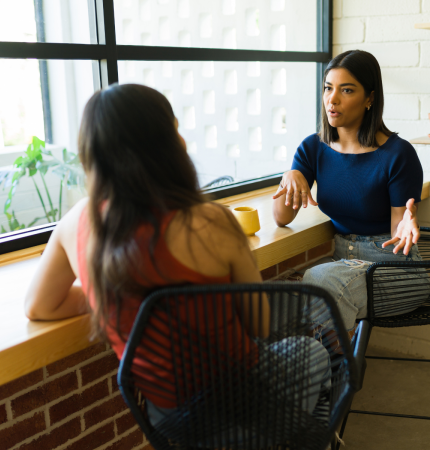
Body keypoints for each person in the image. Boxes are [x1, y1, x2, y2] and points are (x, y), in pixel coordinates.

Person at [25, 84, 331, 443]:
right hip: (246, 399)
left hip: (171, 421)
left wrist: (110, 291)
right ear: (170, 145)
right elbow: (259, 324)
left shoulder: (74, 224)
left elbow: (39, 306)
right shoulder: (211, 220)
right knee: (314, 352)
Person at [272, 50, 429, 335]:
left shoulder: (397, 154)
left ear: (370, 98)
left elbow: (398, 240)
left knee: (321, 280)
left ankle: (330, 373)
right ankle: (334, 369)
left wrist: (405, 221)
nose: (332, 99)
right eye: (328, 88)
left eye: (346, 90)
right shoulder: (312, 148)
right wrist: (290, 176)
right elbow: (282, 218)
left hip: (394, 270)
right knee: (303, 290)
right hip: (344, 263)